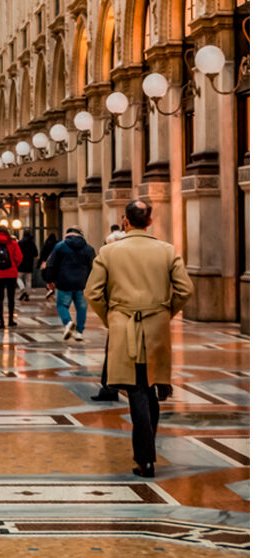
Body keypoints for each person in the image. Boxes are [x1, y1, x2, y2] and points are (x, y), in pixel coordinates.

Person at [85, 199, 193, 477]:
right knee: (150, 385)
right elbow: (185, 290)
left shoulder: (109, 252)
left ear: (126, 221)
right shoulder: (167, 251)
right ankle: (146, 454)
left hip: (124, 327)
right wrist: (164, 312)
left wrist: (112, 316)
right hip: (155, 327)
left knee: (137, 391)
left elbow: (93, 293)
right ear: (150, 221)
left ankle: (145, 459)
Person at [44, 226, 96, 341]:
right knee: (81, 308)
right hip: (82, 283)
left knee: (62, 305)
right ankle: (79, 332)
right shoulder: (89, 248)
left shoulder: (60, 246)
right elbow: (93, 267)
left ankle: (68, 322)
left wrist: (49, 280)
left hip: (63, 282)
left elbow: (51, 264)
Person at [18, 230, 38, 300]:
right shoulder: (32, 243)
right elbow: (36, 253)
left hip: (20, 264)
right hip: (29, 264)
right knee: (28, 281)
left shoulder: (20, 243)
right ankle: (27, 295)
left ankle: (22, 289)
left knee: (18, 278)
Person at [38, 232, 59, 299]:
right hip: (55, 264)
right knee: (54, 277)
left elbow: (42, 254)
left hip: (46, 264)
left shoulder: (46, 244)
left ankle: (49, 288)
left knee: (47, 277)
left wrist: (40, 263)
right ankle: (52, 288)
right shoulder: (57, 245)